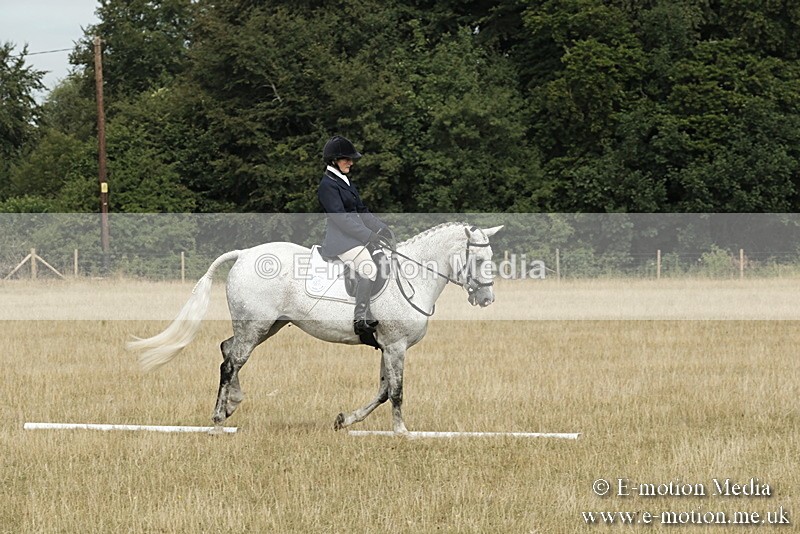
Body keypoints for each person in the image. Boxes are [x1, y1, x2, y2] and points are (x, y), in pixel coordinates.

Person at [317, 135, 392, 336]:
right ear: (333, 160)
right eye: (346, 159)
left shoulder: (345, 180)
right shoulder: (327, 185)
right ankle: (360, 318)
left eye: (351, 159)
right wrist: (369, 236)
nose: (351, 162)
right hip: (341, 241)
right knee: (368, 269)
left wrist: (381, 228)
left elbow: (361, 210)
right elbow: (341, 219)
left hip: (355, 237)